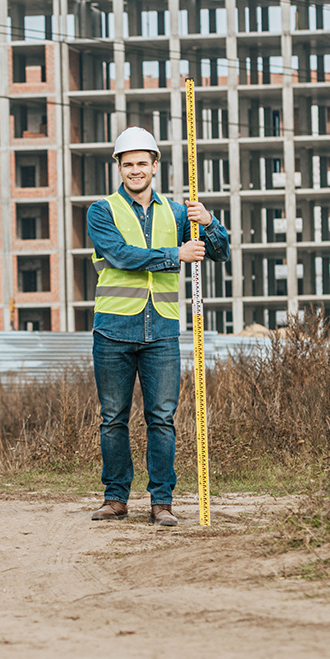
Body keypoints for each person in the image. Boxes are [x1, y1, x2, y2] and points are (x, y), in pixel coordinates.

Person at [86, 126, 229, 527]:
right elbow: (120, 255)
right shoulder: (101, 211)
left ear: (154, 165)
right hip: (113, 329)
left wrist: (210, 221)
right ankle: (115, 499)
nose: (135, 170)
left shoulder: (178, 213)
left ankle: (161, 502)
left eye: (141, 163)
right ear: (119, 167)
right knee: (113, 418)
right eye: (127, 164)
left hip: (162, 331)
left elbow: (218, 252)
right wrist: (174, 254)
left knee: (162, 420)